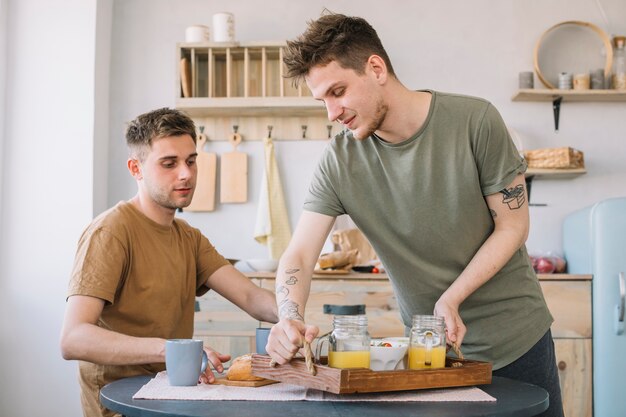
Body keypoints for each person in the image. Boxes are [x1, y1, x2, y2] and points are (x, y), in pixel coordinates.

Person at [265, 13, 563, 417]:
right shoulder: (340, 160)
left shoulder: (475, 121)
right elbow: (298, 255)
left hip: (517, 341)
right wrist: (289, 317)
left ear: (375, 68)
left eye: (338, 91)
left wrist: (451, 298)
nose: (332, 112)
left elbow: (513, 225)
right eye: (323, 100)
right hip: (430, 356)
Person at [60, 108, 278, 417]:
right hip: (122, 406)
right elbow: (72, 339)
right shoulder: (110, 232)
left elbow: (251, 297)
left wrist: (293, 318)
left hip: (172, 397)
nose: (186, 173)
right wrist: (173, 351)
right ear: (136, 168)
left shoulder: (188, 237)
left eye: (191, 161)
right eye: (169, 163)